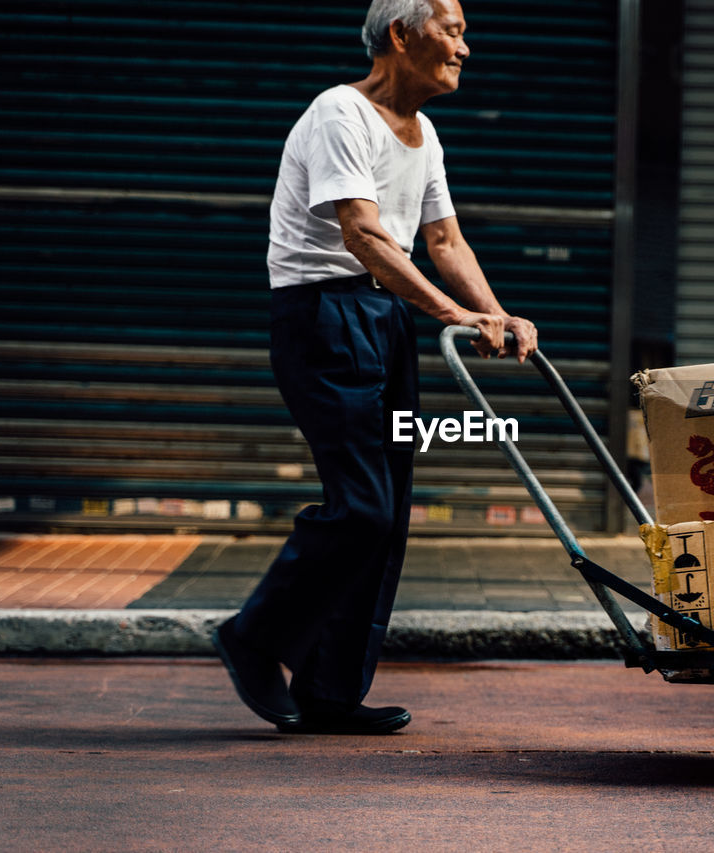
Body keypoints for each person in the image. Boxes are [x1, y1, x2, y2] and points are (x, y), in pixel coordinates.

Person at [212, 0, 537, 735]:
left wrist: (498, 312)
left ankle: (331, 689)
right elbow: (362, 233)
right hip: (323, 317)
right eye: (451, 31)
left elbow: (445, 241)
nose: (464, 47)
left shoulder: (426, 136)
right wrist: (454, 317)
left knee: (387, 514)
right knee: (360, 504)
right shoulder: (339, 113)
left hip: (384, 323)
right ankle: (253, 636)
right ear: (401, 34)